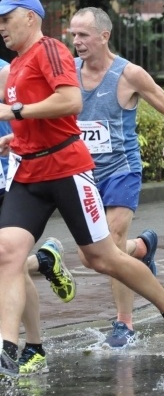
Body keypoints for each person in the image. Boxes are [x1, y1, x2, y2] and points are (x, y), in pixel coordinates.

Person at [0, 0, 164, 379]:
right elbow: (36, 117)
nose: (1, 26)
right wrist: (15, 136)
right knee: (6, 253)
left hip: (66, 169)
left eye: (7, 18)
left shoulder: (50, 50)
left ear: (30, 17)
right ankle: (7, 347)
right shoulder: (18, 64)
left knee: (101, 257)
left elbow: (71, 101)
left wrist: (17, 111)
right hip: (28, 172)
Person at [68, 7, 164, 349]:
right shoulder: (68, 73)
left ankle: (124, 324)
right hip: (82, 175)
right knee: (91, 257)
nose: (76, 41)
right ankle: (142, 248)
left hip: (121, 171)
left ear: (104, 36)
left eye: (83, 35)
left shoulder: (129, 74)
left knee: (111, 245)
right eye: (73, 35)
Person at [0, 61, 76, 376]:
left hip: (5, 181)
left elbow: (38, 118)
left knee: (9, 262)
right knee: (10, 263)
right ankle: (44, 261)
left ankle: (33, 346)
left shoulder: (6, 72)